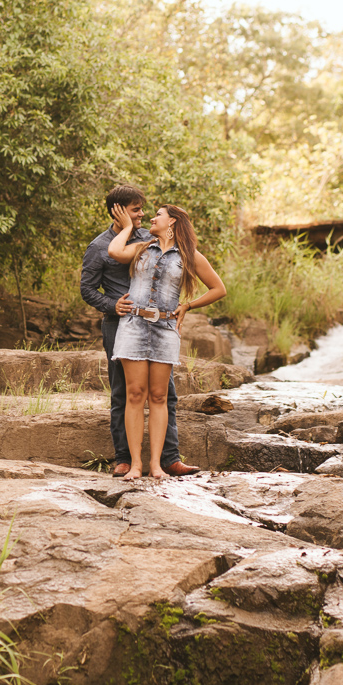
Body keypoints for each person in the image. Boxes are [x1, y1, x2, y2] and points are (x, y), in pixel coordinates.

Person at [80, 185, 195, 478]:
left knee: (164, 394)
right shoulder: (99, 246)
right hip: (118, 323)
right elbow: (87, 289)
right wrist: (111, 304)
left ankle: (169, 458)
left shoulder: (148, 239)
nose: (142, 214)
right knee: (124, 392)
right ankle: (124, 459)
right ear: (117, 212)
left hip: (154, 324)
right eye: (135, 209)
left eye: (144, 209)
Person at [108, 203, 227, 480]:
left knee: (160, 397)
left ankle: (156, 466)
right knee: (135, 394)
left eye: (158, 215)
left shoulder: (189, 256)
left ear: (172, 222)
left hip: (165, 328)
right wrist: (127, 227)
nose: (152, 218)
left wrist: (188, 305)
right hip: (134, 325)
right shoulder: (141, 247)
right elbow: (114, 251)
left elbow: (219, 289)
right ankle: (136, 465)